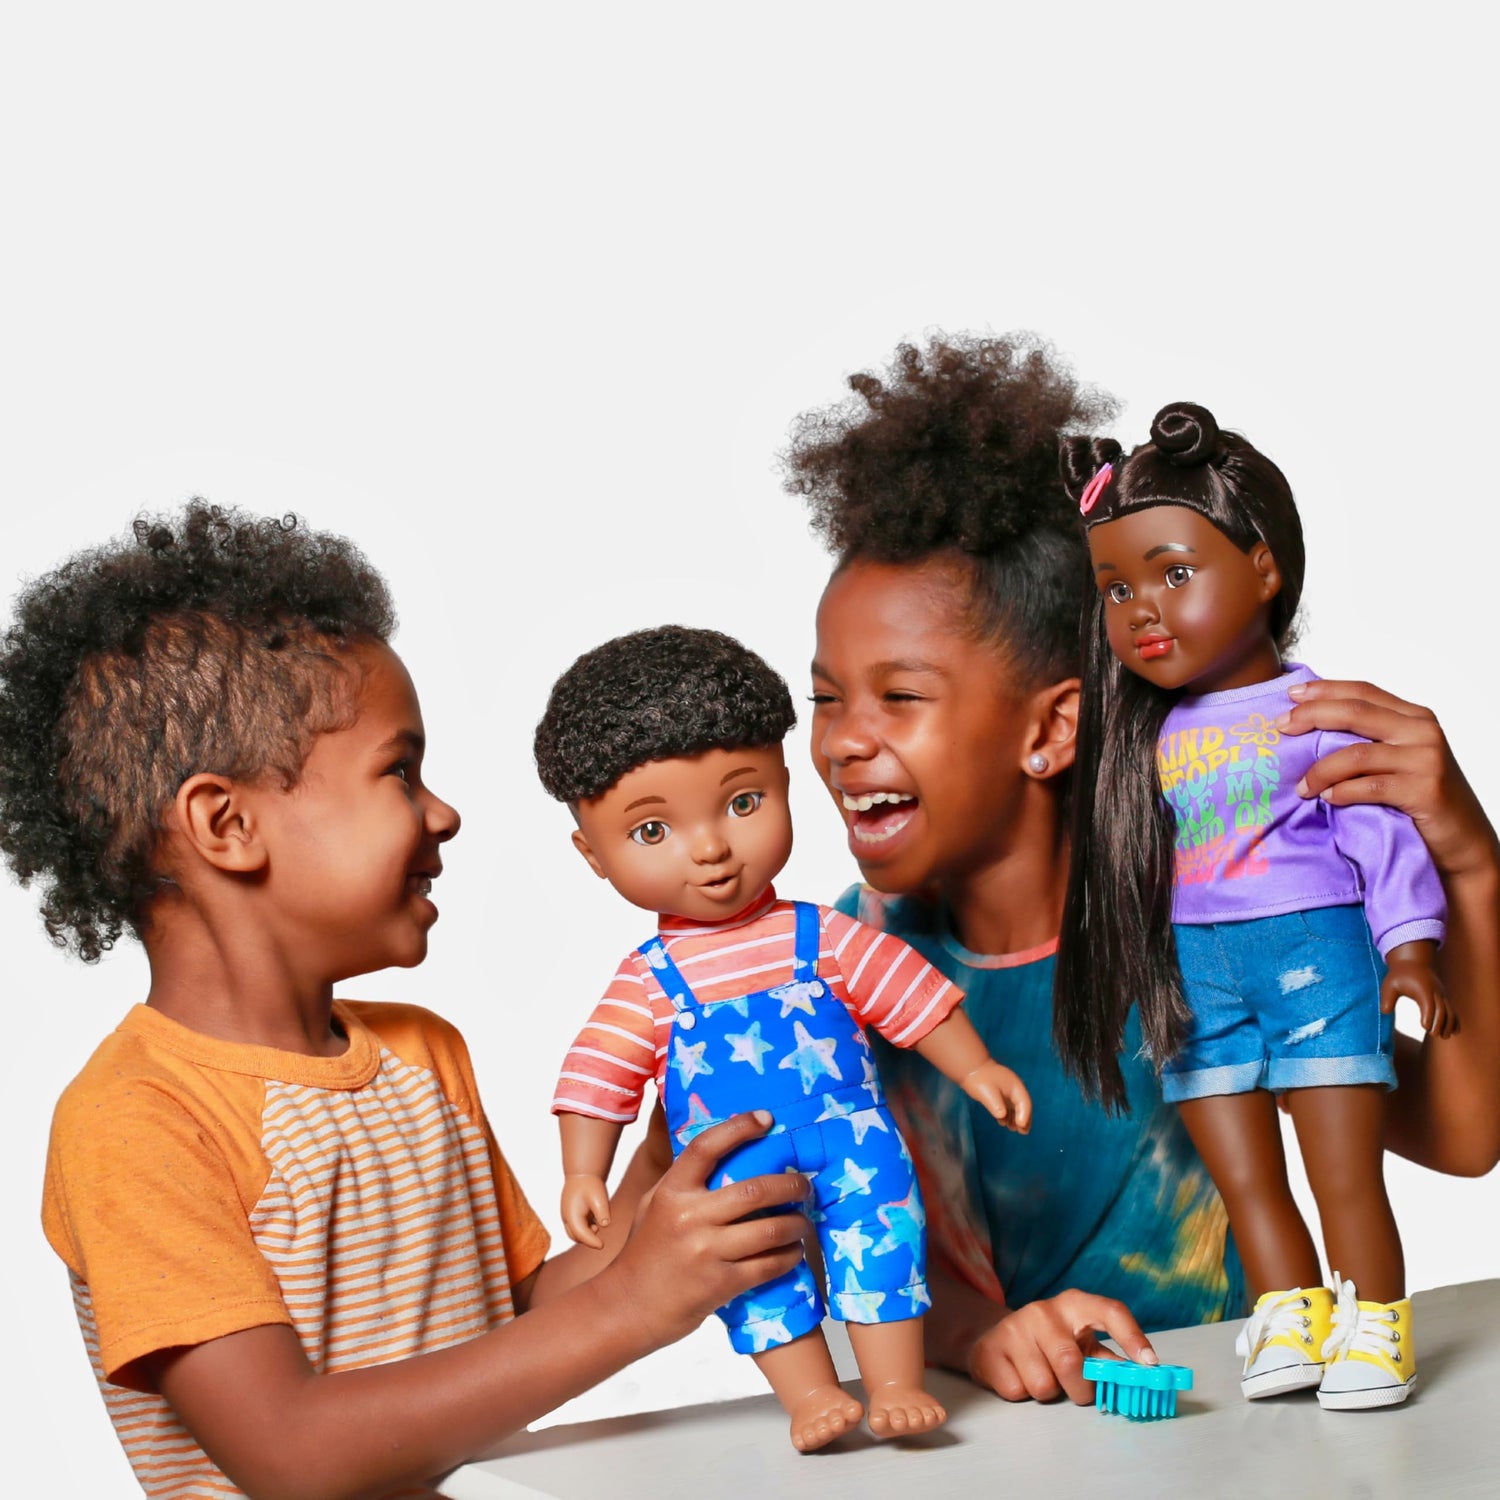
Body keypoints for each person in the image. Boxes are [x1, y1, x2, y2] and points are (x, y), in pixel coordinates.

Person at [1, 506, 813, 1500]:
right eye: (400, 770)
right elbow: (290, 1452)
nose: (444, 813)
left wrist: (660, 1174)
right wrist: (635, 1308)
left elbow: (517, 1322)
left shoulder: (420, 1057)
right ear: (227, 823)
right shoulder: (137, 1123)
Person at [782, 332, 1500, 1407]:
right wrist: (982, 1331)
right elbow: (832, 1224)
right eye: (827, 697)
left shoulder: (1195, 921)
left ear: (1053, 728)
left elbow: (1461, 1136)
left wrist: (1471, 866)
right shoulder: (851, 958)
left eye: (901, 697)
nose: (843, 740)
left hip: (1242, 1442)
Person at [535, 624, 1030, 1451]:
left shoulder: (821, 936)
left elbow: (902, 989)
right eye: (652, 831)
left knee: (887, 1229)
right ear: (593, 854)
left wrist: (973, 1064)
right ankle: (808, 1394)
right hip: (736, 1162)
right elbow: (599, 1070)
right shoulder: (649, 980)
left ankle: (896, 1380)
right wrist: (585, 1169)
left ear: (785, 784)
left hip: (851, 1132)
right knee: (753, 1273)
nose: (712, 848)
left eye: (743, 801)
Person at [1055, 401, 1451, 1408]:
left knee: (1342, 1168)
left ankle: (1376, 1325)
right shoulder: (1136, 742)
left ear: (1263, 569)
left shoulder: (1314, 714)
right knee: (1245, 1175)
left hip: (1314, 955)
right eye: (1116, 588)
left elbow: (1381, 835)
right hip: (1196, 976)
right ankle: (1293, 1308)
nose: (1142, 609)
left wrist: (1410, 946)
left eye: (1174, 573)